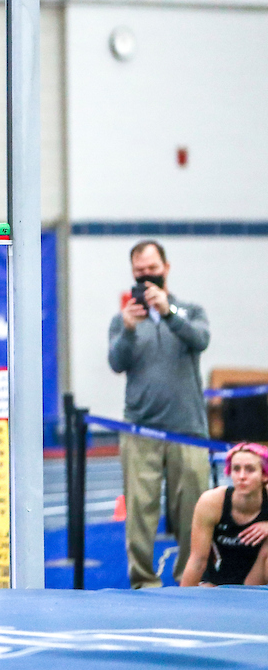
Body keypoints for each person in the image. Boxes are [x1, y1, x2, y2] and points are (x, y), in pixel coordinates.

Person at [108, 240, 212, 587]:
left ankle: (188, 579)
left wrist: (168, 312)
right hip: (141, 430)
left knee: (194, 514)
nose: (147, 277)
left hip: (187, 429)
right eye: (140, 272)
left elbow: (201, 340)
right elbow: (116, 363)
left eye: (153, 269)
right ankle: (143, 582)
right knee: (140, 513)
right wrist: (128, 329)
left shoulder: (190, 311)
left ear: (166, 268)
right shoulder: (123, 320)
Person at [181, 443, 268, 586]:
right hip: (220, 582)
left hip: (258, 579)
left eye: (250, 470)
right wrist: (180, 603)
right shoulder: (211, 502)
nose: (241, 476)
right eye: (236, 469)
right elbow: (197, 560)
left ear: (264, 475)